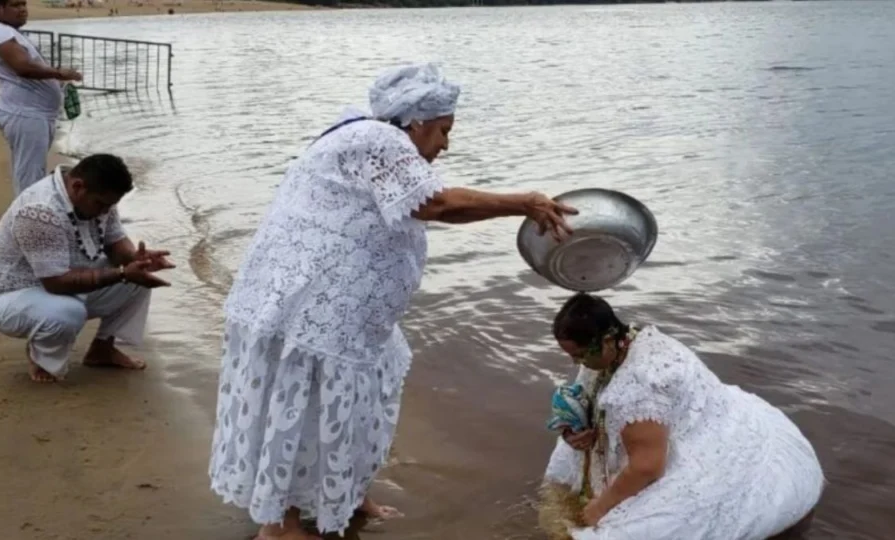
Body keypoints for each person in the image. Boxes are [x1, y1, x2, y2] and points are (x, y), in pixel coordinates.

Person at [208, 62, 578, 540]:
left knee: (365, 397)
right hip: (310, 308)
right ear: (418, 121)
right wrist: (522, 202)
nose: (446, 144)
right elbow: (434, 204)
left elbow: (427, 204)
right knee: (307, 409)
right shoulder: (377, 139)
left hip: (345, 310)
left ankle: (342, 496)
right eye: (444, 130)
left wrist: (513, 209)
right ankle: (280, 525)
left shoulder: (372, 139)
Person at [540, 293, 825, 540]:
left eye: (580, 356)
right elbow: (585, 397)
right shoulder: (621, 344)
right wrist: (574, 432)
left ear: (608, 339)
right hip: (660, 424)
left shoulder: (641, 386)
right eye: (571, 356)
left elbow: (648, 467)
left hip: (679, 444)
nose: (576, 364)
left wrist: (601, 507)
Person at [0, 154, 174, 383]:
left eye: (110, 205)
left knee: (140, 278)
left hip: (61, 279)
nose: (104, 210)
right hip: (8, 295)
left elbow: (114, 241)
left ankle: (102, 350)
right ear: (78, 187)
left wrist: (136, 259)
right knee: (67, 313)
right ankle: (42, 359)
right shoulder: (40, 210)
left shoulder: (98, 197)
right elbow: (56, 282)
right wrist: (121, 273)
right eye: (100, 204)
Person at [0, 0, 83, 195]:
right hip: (25, 114)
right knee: (30, 176)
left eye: (24, 4)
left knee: (29, 171)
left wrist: (57, 84)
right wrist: (59, 73)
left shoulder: (7, 31)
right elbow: (24, 67)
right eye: (15, 5)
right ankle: (28, 220)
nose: (22, 9)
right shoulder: (2, 35)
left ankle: (27, 215)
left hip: (31, 113)